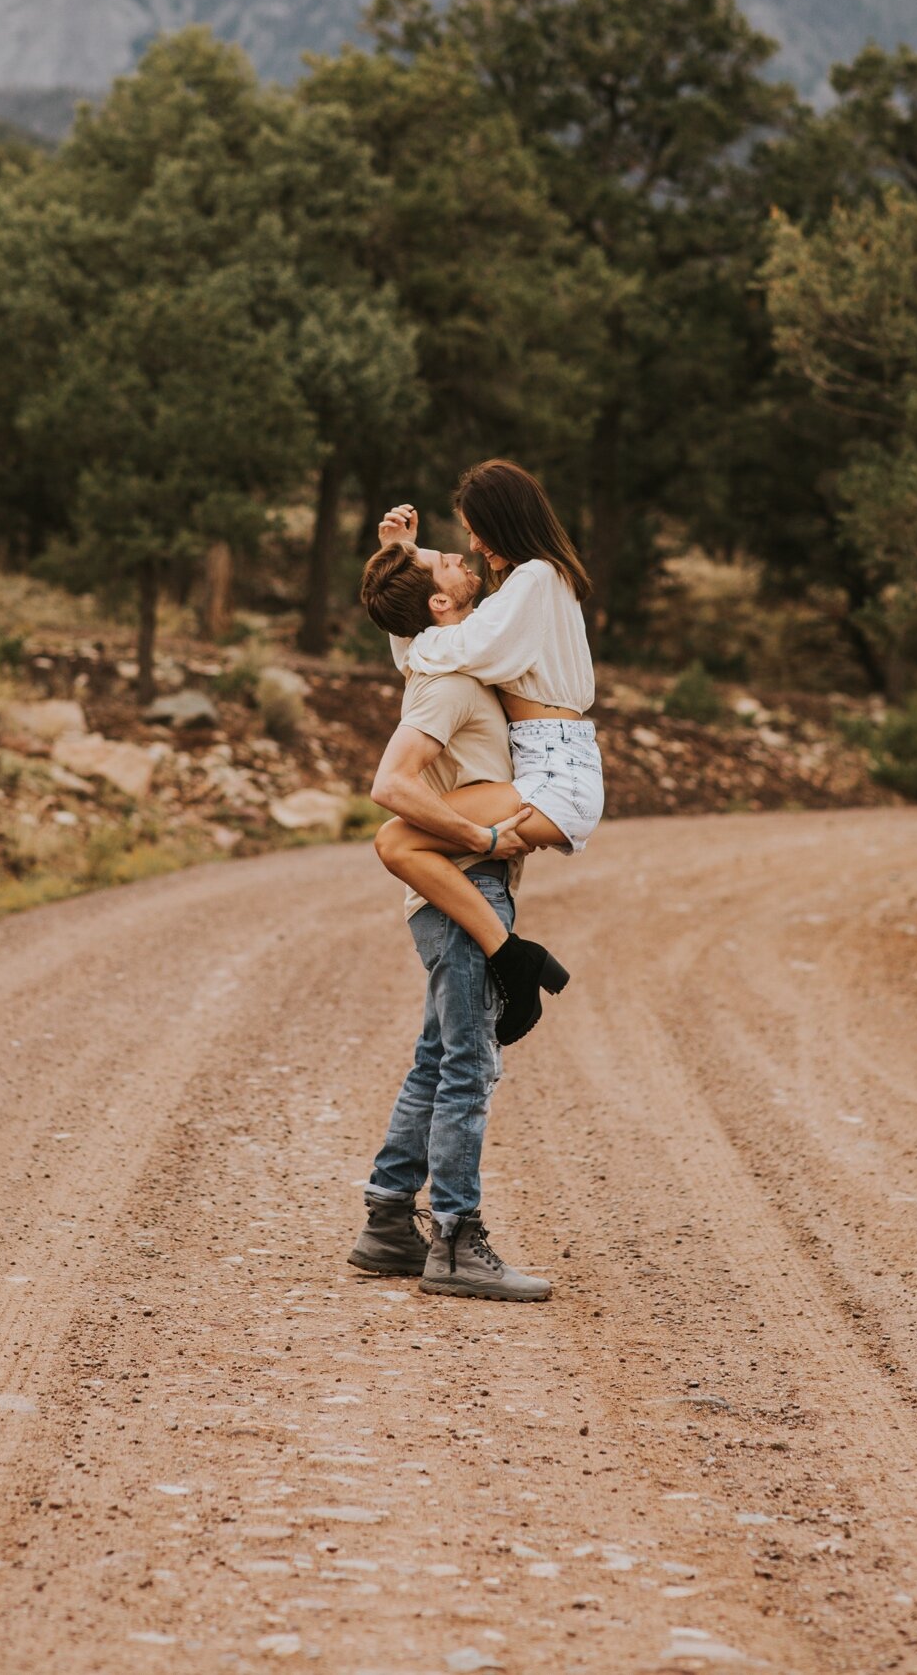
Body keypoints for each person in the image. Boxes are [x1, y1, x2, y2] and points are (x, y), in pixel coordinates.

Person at [348, 541, 552, 1301]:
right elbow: (391, 782)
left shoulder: (444, 663)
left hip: (457, 893)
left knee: (439, 1057)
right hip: (462, 888)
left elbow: (412, 631)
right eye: (445, 563)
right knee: (471, 1064)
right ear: (440, 604)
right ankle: (458, 1241)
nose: (464, 557)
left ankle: (389, 1221)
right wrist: (479, 839)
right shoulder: (448, 686)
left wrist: (394, 556)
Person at [371, 460, 603, 1043]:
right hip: (549, 764)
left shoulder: (537, 580)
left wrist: (416, 573)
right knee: (400, 837)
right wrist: (404, 561)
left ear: (506, 522)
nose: (472, 545)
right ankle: (516, 959)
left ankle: (512, 958)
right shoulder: (529, 588)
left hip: (556, 771)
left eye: (478, 530)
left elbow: (458, 645)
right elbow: (434, 648)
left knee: (397, 839)